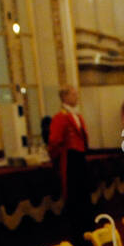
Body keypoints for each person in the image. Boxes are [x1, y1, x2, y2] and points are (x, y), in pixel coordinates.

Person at [48, 86, 90, 237]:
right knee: (74, 197)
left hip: (80, 158)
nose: (76, 97)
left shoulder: (77, 116)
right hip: (71, 161)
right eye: (73, 94)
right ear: (65, 97)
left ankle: (87, 230)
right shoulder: (61, 117)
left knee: (83, 195)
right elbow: (54, 141)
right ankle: (77, 233)